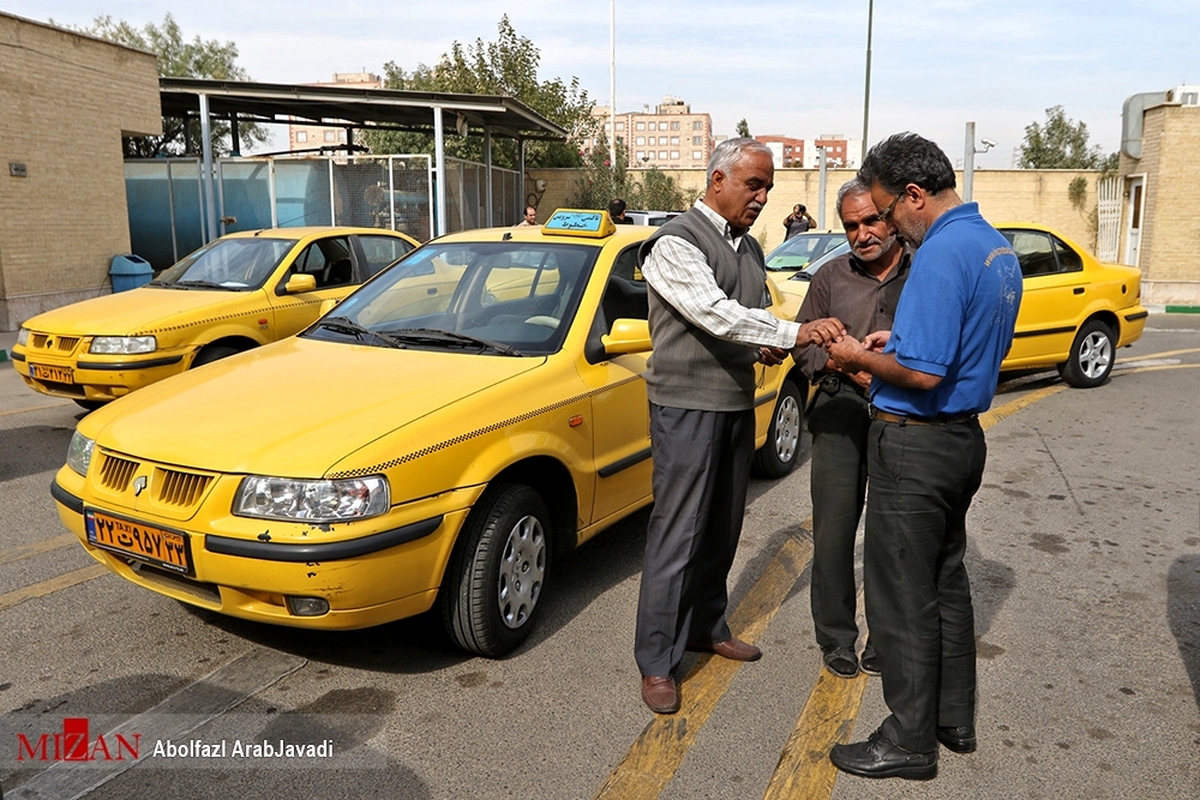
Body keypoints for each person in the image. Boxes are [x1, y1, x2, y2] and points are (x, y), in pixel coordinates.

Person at [825, 132, 1022, 779]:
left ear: (915, 194)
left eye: (887, 211)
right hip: (962, 441)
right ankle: (951, 719)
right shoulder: (993, 246)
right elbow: (949, 345)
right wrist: (897, 338)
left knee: (899, 598)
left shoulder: (939, 252)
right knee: (945, 582)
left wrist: (859, 356)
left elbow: (923, 375)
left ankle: (907, 741)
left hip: (918, 444)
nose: (886, 225)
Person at [634, 137, 845, 715]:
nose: (763, 196)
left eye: (769, 187)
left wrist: (764, 345)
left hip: (732, 404)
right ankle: (657, 660)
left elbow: (749, 317)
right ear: (717, 179)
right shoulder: (675, 243)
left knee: (722, 526)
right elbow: (712, 312)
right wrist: (790, 335)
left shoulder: (749, 247)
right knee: (678, 532)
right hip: (686, 407)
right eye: (754, 184)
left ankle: (706, 626)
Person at [794, 178, 910, 680]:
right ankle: (836, 637)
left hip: (902, 420)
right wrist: (845, 366)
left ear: (889, 217)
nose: (862, 234)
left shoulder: (922, 269)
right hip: (840, 415)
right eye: (850, 226)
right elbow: (803, 347)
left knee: (893, 535)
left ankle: (886, 640)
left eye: (870, 221)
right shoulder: (829, 278)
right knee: (835, 531)